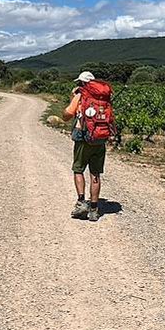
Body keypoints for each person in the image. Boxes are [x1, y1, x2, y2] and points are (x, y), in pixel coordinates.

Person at [63, 71, 110, 222]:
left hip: (82, 137)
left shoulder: (80, 97)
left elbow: (66, 116)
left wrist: (73, 98)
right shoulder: (104, 99)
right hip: (100, 138)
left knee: (78, 169)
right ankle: (94, 210)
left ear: (82, 84)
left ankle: (82, 202)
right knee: (95, 173)